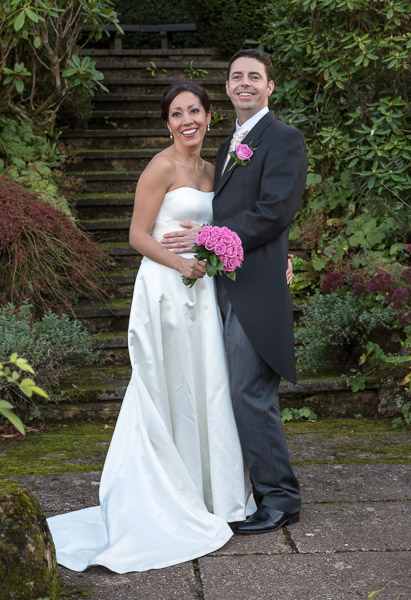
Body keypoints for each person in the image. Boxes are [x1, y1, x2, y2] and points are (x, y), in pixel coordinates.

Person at [47, 81, 256, 574]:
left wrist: (212, 247)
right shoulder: (160, 167)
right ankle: (159, 498)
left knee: (207, 387)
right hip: (165, 290)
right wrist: (181, 266)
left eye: (196, 110)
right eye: (178, 112)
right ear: (167, 122)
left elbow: (221, 228)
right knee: (164, 387)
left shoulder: (213, 171)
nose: (188, 119)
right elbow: (137, 235)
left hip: (202, 293)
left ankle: (212, 494)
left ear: (209, 117)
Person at [162, 49, 308, 534]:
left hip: (256, 288)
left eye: (254, 77)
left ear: (270, 86)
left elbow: (274, 211)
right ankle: (259, 489)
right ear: (227, 88)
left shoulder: (284, 139)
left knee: (250, 391)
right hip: (224, 287)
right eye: (235, 77)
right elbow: (231, 210)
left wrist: (206, 240)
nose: (244, 83)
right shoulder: (229, 146)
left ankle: (281, 499)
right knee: (236, 392)